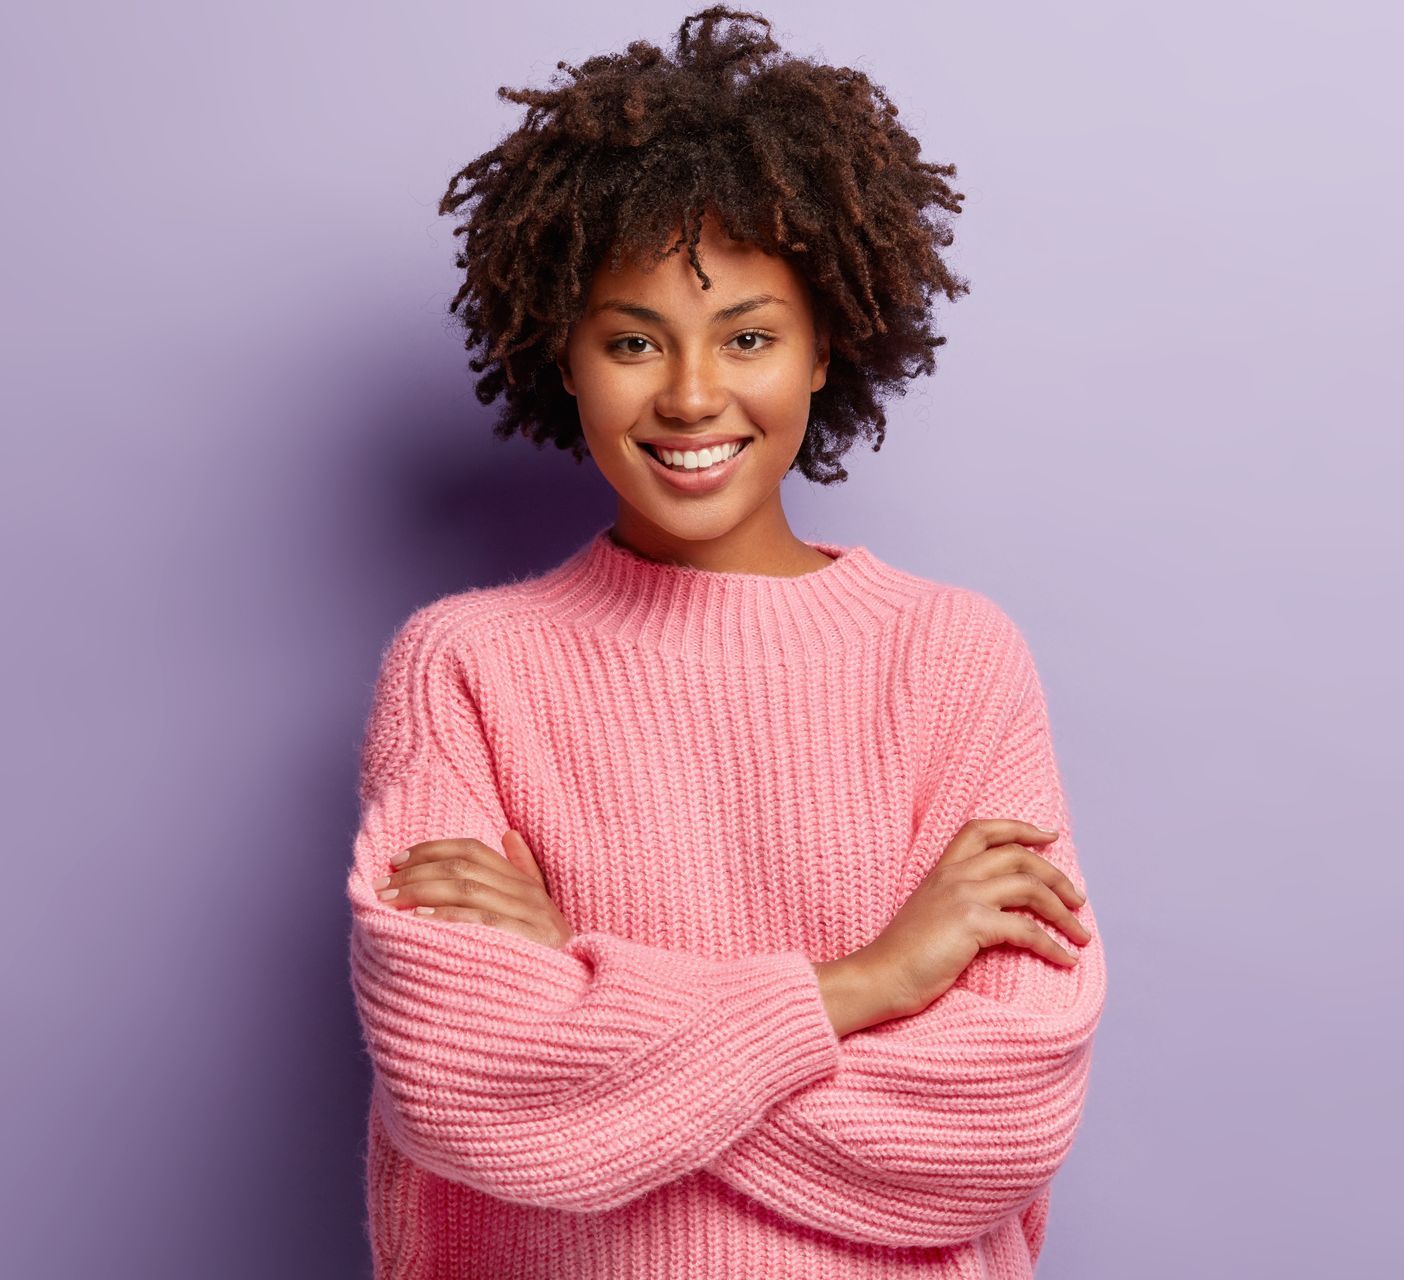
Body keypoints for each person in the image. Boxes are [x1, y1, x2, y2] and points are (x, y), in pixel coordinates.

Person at [345, 8, 1106, 1276]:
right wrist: (866, 981)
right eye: (633, 338)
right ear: (566, 356)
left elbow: (997, 1118)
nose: (693, 394)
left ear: (825, 352)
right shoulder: (465, 666)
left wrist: (586, 1002)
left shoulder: (952, 656)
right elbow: (463, 1078)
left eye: (748, 335)